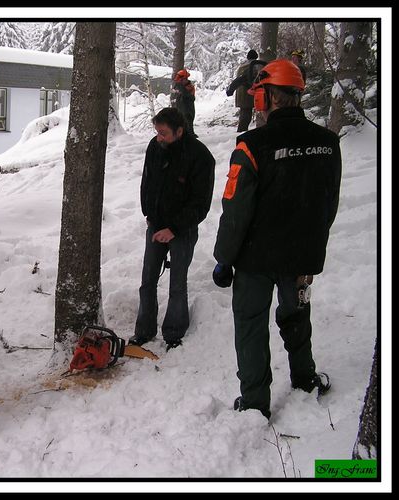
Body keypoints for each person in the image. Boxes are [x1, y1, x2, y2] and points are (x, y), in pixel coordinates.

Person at [212, 59, 342, 420]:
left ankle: (255, 403)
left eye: (258, 96)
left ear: (267, 97)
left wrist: (224, 258)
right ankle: (304, 378)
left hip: (255, 259)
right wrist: (311, 245)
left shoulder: (251, 146)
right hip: (301, 255)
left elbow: (236, 209)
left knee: (251, 324)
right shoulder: (329, 143)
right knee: (297, 314)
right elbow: (327, 204)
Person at [130, 107, 215, 351]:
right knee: (147, 280)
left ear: (179, 131)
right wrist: (148, 213)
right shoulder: (155, 147)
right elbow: (147, 181)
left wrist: (174, 228)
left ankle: (174, 333)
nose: (159, 138)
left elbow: (201, 204)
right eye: (157, 132)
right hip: (155, 225)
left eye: (164, 133)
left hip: (183, 230)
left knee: (177, 283)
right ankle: (144, 331)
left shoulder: (200, 156)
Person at [226, 49, 260, 132]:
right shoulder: (254, 66)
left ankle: (241, 131)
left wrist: (231, 90)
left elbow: (238, 79)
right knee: (246, 116)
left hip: (241, 94)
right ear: (256, 57)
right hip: (248, 94)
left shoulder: (242, 66)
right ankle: (241, 133)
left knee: (244, 114)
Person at [170, 69, 197, 138]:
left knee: (189, 121)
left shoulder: (189, 86)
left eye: (184, 79)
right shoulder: (178, 86)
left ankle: (190, 135)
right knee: (183, 121)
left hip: (188, 107)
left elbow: (191, 97)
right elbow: (177, 94)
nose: (185, 80)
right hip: (181, 107)